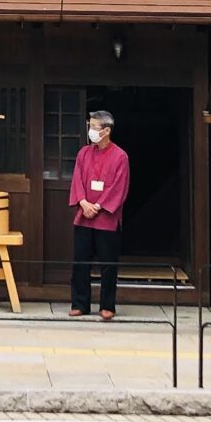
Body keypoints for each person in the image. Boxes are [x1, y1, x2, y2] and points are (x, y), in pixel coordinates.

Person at [67, 108, 130, 320]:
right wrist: (83, 202)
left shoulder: (120, 156)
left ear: (106, 130)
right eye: (90, 126)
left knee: (108, 265)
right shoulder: (83, 153)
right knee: (80, 263)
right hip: (84, 216)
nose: (91, 131)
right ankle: (80, 303)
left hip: (107, 219)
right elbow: (77, 179)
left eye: (94, 127)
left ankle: (107, 306)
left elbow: (119, 187)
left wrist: (99, 206)